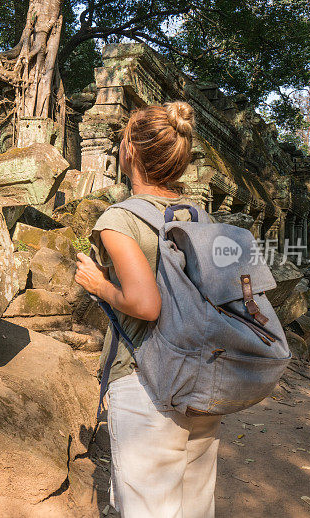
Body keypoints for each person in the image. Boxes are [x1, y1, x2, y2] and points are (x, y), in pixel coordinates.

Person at [74, 102, 222, 518]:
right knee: (195, 505)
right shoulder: (201, 216)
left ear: (131, 153)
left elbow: (146, 304)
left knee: (148, 508)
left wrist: (101, 285)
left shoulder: (119, 220)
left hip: (147, 381)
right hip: (202, 377)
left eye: (122, 140)